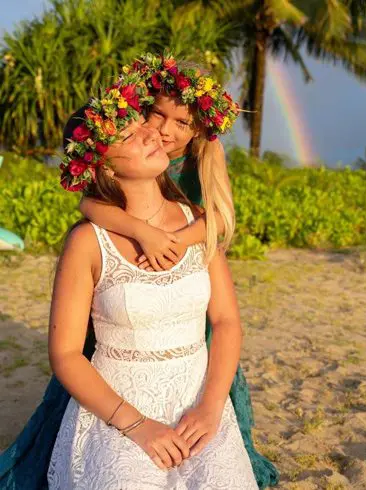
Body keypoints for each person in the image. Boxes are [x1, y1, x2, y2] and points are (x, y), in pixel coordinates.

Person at [0, 54, 279, 489]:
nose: (159, 132)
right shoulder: (92, 232)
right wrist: (133, 229)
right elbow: (91, 202)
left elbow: (221, 228)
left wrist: (181, 240)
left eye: (178, 124)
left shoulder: (201, 173)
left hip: (193, 361)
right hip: (122, 375)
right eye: (150, 119)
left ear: (197, 130)